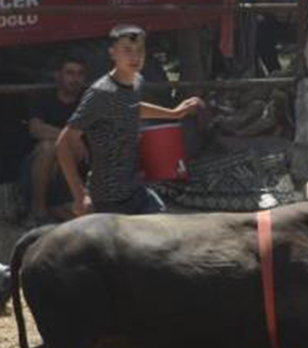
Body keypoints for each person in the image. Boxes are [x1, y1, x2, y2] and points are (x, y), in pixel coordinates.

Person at [57, 24, 206, 216]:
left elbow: (132, 106)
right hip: (108, 199)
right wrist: (80, 195)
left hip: (135, 189)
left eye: (139, 50)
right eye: (127, 51)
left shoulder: (137, 80)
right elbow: (63, 144)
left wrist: (174, 113)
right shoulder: (101, 93)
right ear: (113, 54)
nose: (134, 57)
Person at [23, 54, 87, 219]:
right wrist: (70, 139)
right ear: (58, 76)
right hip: (40, 169)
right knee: (48, 147)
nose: (75, 78)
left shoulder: (89, 100)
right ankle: (38, 211)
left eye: (80, 74)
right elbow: (35, 129)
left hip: (75, 169)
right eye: (70, 73)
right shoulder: (43, 97)